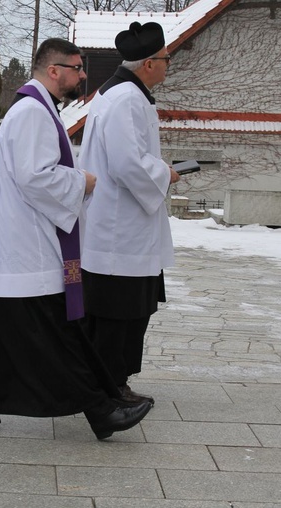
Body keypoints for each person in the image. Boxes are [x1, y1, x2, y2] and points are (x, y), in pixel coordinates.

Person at [0, 38, 152, 440]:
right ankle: (101, 411)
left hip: (8, 243)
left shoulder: (33, 107)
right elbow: (36, 176)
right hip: (23, 246)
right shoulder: (32, 112)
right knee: (56, 331)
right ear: (54, 70)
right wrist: (80, 182)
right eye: (77, 67)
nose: (82, 75)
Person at [78, 22, 180, 406]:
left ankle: (109, 382)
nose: (169, 65)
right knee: (118, 314)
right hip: (120, 229)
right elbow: (125, 163)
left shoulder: (122, 93)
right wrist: (165, 173)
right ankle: (108, 388)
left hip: (121, 225)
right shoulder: (126, 99)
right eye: (167, 59)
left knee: (123, 311)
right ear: (149, 63)